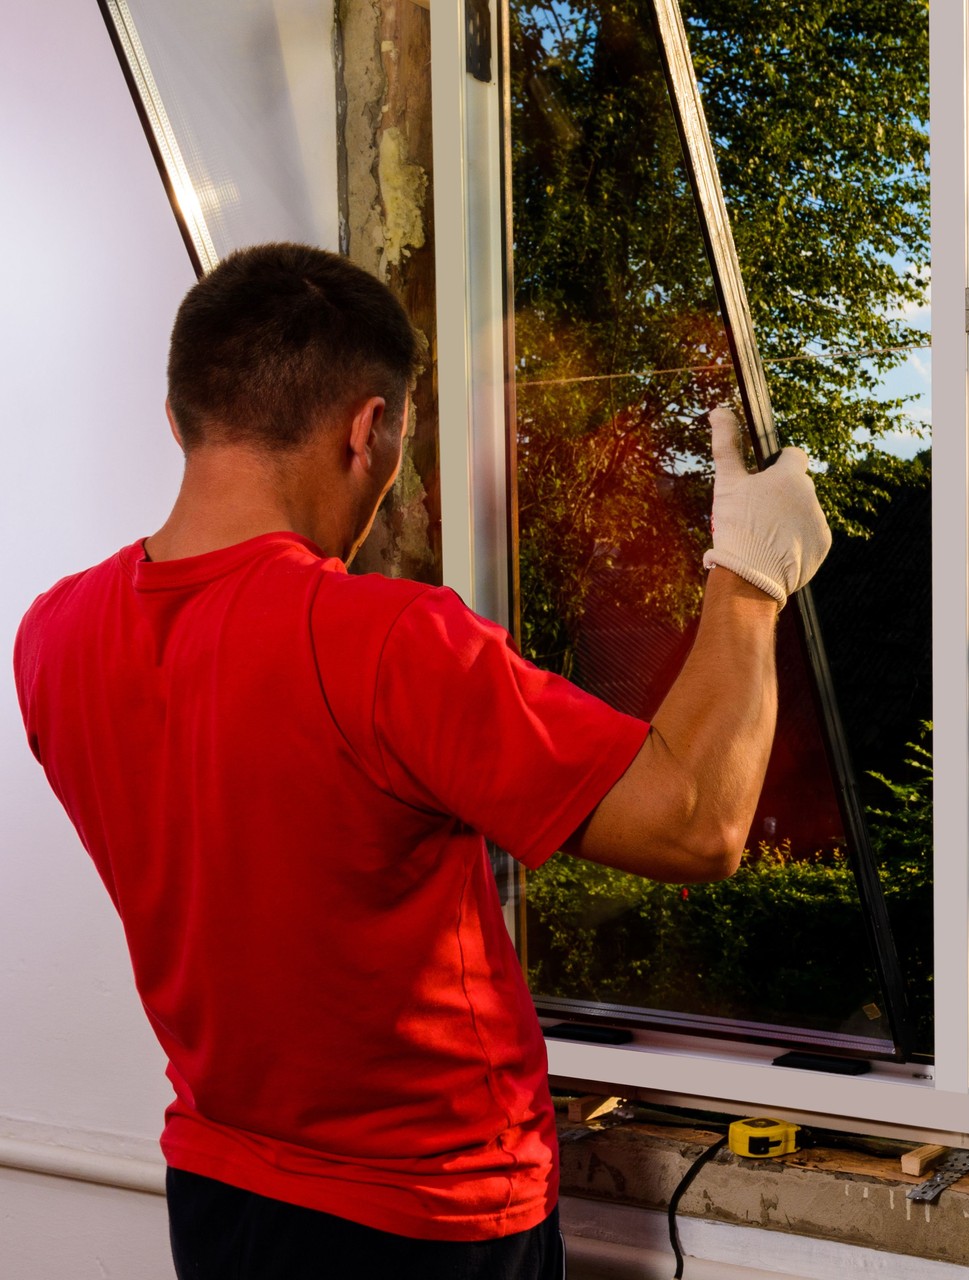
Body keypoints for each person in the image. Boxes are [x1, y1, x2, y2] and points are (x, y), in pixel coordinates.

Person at [11, 242, 831, 1278]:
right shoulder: (384, 641)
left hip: (220, 1198)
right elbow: (696, 821)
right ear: (372, 429)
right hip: (423, 1218)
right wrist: (751, 575)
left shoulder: (52, 635)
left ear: (180, 418)